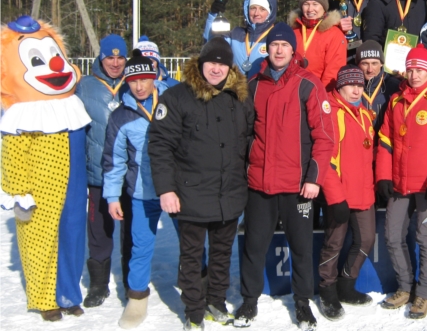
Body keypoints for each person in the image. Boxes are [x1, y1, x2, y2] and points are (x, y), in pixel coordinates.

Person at [236, 23, 335, 331]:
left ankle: (303, 303)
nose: (278, 50)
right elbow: (245, 132)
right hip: (260, 184)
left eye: (284, 45)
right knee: (253, 246)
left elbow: (325, 137)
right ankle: (249, 300)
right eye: (274, 45)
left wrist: (313, 178)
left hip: (297, 186)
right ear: (268, 49)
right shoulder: (254, 85)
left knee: (302, 248)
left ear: (294, 50)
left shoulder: (309, 83)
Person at [149, 38, 253, 330]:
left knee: (222, 253)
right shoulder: (177, 97)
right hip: (190, 193)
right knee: (192, 256)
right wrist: (166, 189)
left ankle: (216, 302)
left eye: (222, 63)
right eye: (211, 62)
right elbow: (160, 146)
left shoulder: (240, 98)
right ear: (200, 64)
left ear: (229, 67)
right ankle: (194, 311)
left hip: (229, 193)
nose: (216, 69)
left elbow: (250, 141)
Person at [0, 16, 91, 321]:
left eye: (53, 57)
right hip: (38, 188)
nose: (54, 66)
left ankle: (68, 293)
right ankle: (43, 298)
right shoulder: (21, 116)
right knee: (39, 237)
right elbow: (12, 155)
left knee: (73, 233)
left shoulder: (72, 104)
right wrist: (16, 192)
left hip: (73, 183)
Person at [375, 47, 427, 319]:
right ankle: (404, 287)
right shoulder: (396, 100)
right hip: (399, 183)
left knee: (426, 238)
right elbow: (385, 141)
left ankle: (423, 293)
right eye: (410, 69)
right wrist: (384, 176)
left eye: (419, 69)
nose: (414, 75)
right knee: (392, 235)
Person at [102, 50, 168, 328]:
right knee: (140, 247)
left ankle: (196, 287)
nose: (139, 86)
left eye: (144, 79)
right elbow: (114, 161)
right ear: (126, 83)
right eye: (133, 81)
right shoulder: (121, 116)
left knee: (192, 244)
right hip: (142, 192)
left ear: (154, 77)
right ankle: (137, 298)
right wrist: (112, 196)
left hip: (176, 190)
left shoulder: (171, 102)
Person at [317, 65, 377, 320]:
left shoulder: (364, 114)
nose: (356, 90)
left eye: (360, 85)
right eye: (350, 85)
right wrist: (335, 196)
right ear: (339, 86)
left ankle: (346, 284)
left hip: (363, 192)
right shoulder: (331, 113)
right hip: (338, 193)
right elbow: (326, 160)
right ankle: (327, 290)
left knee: (365, 240)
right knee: (334, 244)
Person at [76, 33, 131, 307]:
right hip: (98, 174)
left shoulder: (133, 84)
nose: (116, 62)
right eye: (110, 57)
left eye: (120, 57)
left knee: (131, 230)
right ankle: (98, 284)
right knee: (99, 230)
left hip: (129, 174)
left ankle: (131, 282)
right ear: (101, 57)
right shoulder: (85, 87)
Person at [204, 0, 278, 79]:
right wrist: (213, 15)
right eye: (253, 8)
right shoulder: (236, 34)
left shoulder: (275, 36)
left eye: (262, 9)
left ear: (270, 12)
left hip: (262, 90)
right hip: (236, 90)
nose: (256, 13)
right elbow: (211, 44)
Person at [290, 0, 348, 90]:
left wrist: (320, 98)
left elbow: (333, 73)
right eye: (306, 4)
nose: (310, 9)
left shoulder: (334, 35)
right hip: (292, 94)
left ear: (324, 7)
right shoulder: (293, 32)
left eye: (315, 4)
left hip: (319, 95)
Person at [354, 40, 401, 132]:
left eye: (374, 63)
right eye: (365, 64)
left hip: (385, 143)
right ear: (358, 64)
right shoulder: (350, 86)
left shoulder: (394, 86)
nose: (370, 69)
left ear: (382, 63)